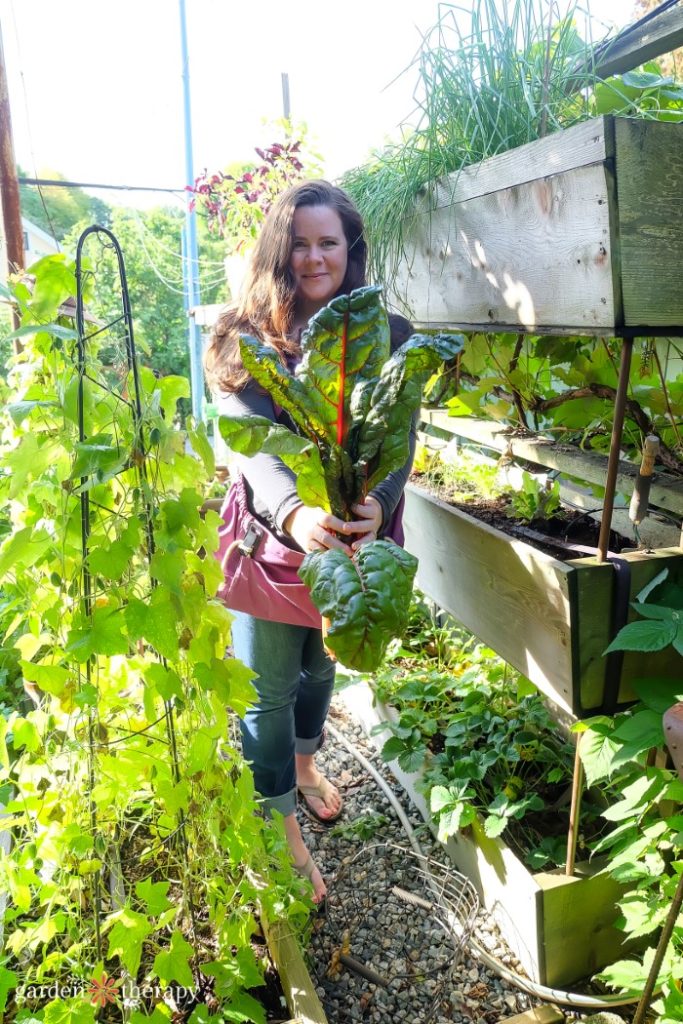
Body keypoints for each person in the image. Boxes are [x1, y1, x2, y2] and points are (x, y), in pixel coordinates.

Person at [204, 180, 415, 902]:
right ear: (278, 248)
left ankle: (302, 766)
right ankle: (283, 829)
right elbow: (248, 446)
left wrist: (379, 504)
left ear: (349, 250)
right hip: (273, 535)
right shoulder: (244, 334)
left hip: (351, 532)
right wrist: (295, 513)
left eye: (329, 242)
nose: (314, 257)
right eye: (300, 242)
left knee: (324, 667)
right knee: (268, 687)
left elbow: (400, 438)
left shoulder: (384, 331)